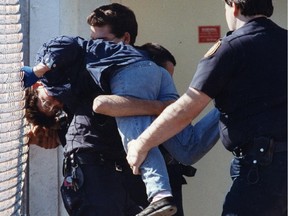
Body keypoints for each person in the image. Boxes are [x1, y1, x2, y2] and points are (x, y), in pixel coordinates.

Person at [126, 1, 287, 215]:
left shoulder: (231, 47)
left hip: (259, 168)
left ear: (234, 6)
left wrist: (141, 144)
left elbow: (188, 107)